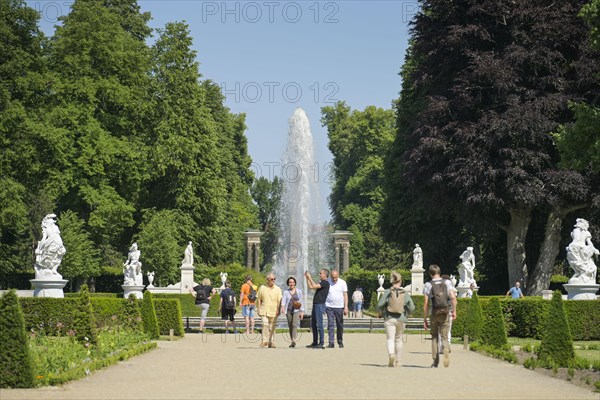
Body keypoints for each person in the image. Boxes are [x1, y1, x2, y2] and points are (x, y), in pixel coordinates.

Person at [376, 271, 415, 367]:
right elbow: (412, 307)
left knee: (390, 339)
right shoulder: (404, 293)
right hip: (401, 319)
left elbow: (379, 304)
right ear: (400, 281)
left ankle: (391, 354)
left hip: (389, 318)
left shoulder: (388, 292)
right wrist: (407, 313)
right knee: (399, 339)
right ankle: (398, 361)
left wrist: (381, 313)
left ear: (391, 281)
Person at [423, 264, 457, 368]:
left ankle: (435, 361)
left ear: (430, 273)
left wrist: (425, 318)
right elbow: (453, 298)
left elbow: (426, 303)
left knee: (434, 337)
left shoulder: (428, 284)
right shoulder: (447, 282)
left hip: (434, 312)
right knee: (444, 336)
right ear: (439, 272)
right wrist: (454, 311)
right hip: (445, 311)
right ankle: (446, 348)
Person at [304, 269, 330, 349]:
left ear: (325, 275)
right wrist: (307, 278)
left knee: (319, 324)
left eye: (320, 273)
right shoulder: (321, 283)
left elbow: (314, 286)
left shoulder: (325, 283)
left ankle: (321, 342)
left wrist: (310, 277)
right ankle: (315, 342)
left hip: (320, 305)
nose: (319, 274)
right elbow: (311, 287)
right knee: (313, 324)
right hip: (315, 305)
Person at [256, 272, 282, 348]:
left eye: (274, 279)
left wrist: (279, 310)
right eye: (271, 279)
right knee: (265, 324)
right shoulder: (262, 287)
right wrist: (258, 309)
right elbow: (259, 299)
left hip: (274, 310)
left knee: (272, 327)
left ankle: (271, 342)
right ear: (267, 280)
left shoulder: (278, 289)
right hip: (264, 310)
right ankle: (264, 341)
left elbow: (279, 301)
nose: (273, 280)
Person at [325, 270, 348, 348]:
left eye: (336, 277)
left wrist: (346, 307)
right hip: (329, 307)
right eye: (333, 277)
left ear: (338, 276)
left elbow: (345, 295)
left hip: (339, 307)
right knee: (330, 325)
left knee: (339, 325)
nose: (334, 279)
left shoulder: (343, 283)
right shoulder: (327, 282)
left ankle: (340, 341)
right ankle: (331, 342)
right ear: (330, 276)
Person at [280, 276, 304, 348]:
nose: (291, 283)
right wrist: (283, 308)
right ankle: (292, 340)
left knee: (294, 324)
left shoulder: (299, 291)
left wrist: (302, 312)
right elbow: (283, 301)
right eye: (290, 282)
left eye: (293, 282)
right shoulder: (286, 292)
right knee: (290, 326)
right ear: (288, 283)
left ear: (295, 283)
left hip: (296, 310)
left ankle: (294, 340)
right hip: (289, 311)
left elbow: (301, 302)